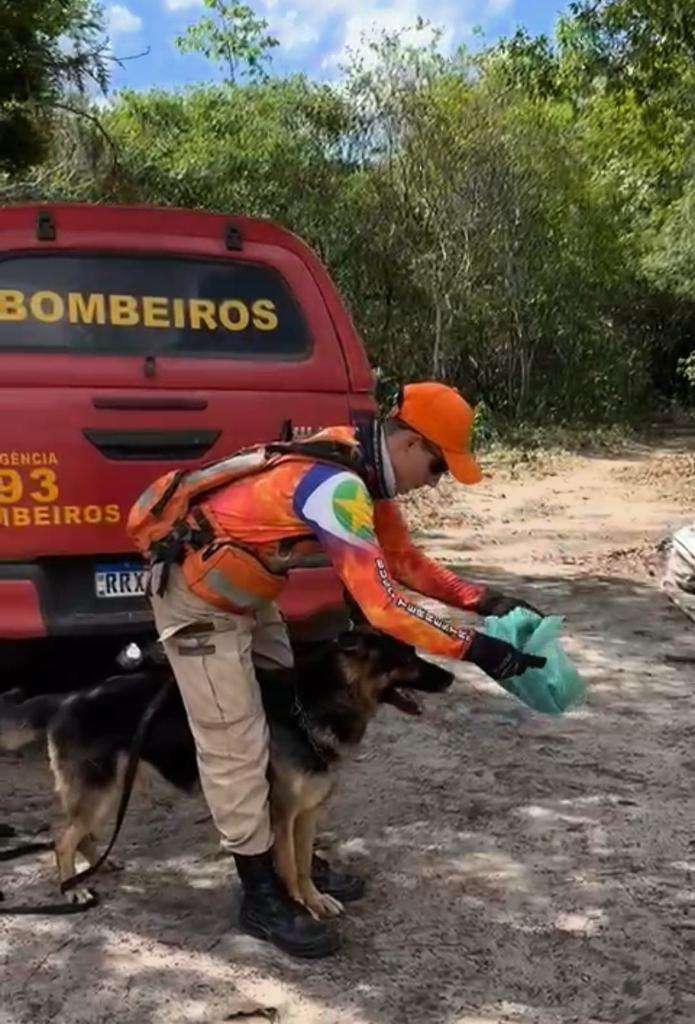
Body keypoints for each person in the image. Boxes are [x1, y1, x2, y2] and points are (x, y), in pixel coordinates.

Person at [141, 381, 545, 958]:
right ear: (408, 441)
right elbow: (382, 605)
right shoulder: (338, 487)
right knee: (236, 741)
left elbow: (402, 560)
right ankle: (262, 893)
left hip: (245, 592)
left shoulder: (360, 474)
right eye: (436, 466)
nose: (435, 481)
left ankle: (293, 861)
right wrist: (477, 649)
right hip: (199, 599)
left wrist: (481, 600)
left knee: (294, 713)